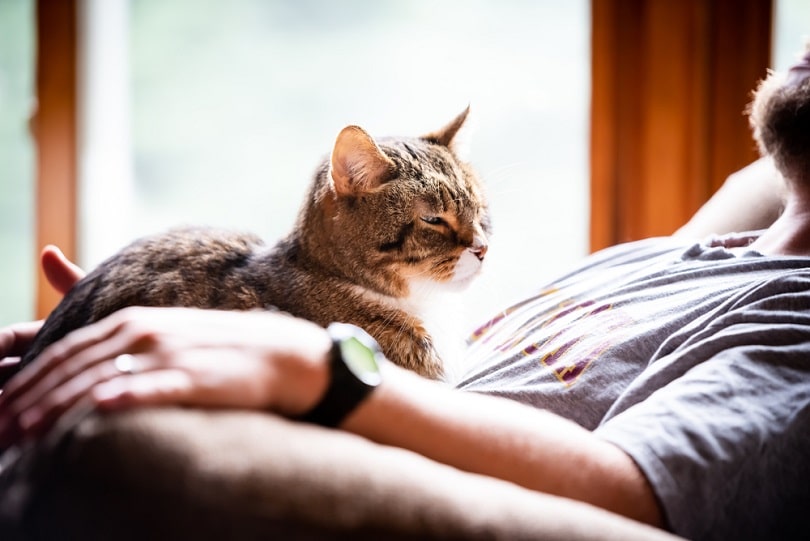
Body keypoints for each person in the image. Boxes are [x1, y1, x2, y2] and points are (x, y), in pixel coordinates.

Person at [1, 58, 809, 541]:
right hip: (307, 390)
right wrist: (159, 321)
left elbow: (632, 493)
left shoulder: (792, 322)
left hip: (357, 439)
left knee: (94, 459)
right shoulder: (705, 247)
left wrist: (318, 368)